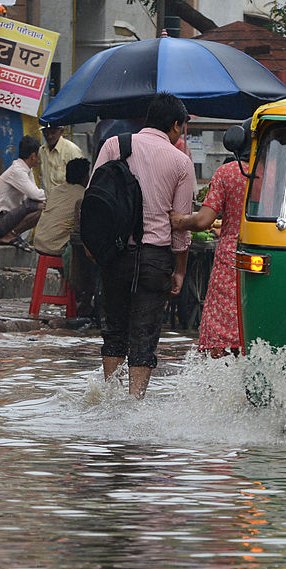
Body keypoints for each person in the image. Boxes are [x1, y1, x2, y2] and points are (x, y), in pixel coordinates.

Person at [91, 92, 194, 396]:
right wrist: (180, 270)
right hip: (154, 258)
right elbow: (180, 225)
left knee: (113, 331)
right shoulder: (180, 162)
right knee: (144, 335)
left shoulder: (115, 145)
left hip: (115, 254)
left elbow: (93, 199)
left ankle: (109, 397)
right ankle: (134, 404)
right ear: (175, 125)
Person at [171, 154, 249, 357]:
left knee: (221, 335)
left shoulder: (229, 172)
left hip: (232, 259)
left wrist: (179, 222)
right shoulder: (279, 172)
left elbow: (202, 221)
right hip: (271, 255)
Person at [32, 157, 96, 317]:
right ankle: (85, 302)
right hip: (55, 246)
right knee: (90, 256)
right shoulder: (84, 195)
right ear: (84, 177)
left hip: (40, 241)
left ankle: (65, 293)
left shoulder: (55, 190)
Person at [0, 136, 46, 251]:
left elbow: (36, 195)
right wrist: (55, 195)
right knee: (38, 206)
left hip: (5, 219)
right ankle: (10, 235)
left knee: (40, 205)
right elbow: (35, 195)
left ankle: (11, 235)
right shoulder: (17, 171)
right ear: (33, 156)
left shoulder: (26, 170)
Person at [38, 123, 85, 198]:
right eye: (46, 133)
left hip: (67, 202)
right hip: (49, 202)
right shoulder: (42, 151)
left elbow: (82, 182)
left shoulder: (72, 150)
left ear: (61, 131)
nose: (49, 136)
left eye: (53, 133)